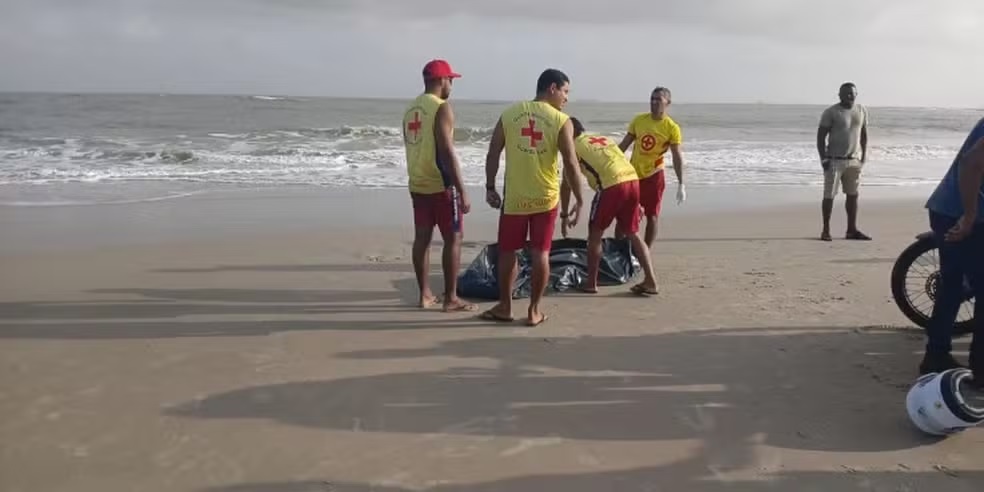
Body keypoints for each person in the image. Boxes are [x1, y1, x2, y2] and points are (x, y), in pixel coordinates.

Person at [481, 68, 586, 326]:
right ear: (552, 88)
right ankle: (534, 311)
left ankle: (505, 307)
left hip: (515, 198)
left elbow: (493, 152)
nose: (566, 98)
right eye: (565, 91)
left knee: (508, 252)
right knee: (541, 252)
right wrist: (580, 200)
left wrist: (490, 186)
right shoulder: (561, 120)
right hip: (546, 198)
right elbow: (572, 164)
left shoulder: (510, 114)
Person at [401, 59, 476, 313]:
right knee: (453, 238)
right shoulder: (441, 107)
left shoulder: (411, 109)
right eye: (450, 80)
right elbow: (446, 150)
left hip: (417, 182)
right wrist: (462, 188)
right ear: (441, 80)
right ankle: (451, 298)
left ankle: (424, 295)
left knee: (422, 238)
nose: (452, 85)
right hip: (441, 185)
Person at [562, 117, 660, 296]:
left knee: (595, 234)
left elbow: (567, 182)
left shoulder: (572, 146)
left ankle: (591, 283)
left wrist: (564, 215)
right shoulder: (601, 139)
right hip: (632, 179)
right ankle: (651, 280)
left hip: (611, 186)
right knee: (633, 233)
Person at [918, 116, 984, 380]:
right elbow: (971, 163)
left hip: (946, 210)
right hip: (966, 216)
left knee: (952, 286)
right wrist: (968, 217)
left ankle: (936, 355)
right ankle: (981, 372)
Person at [618, 87, 687, 248]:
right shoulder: (639, 120)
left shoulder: (671, 127)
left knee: (652, 216)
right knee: (624, 215)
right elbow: (623, 145)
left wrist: (681, 183)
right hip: (632, 174)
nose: (654, 103)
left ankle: (645, 252)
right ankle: (619, 250)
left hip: (654, 176)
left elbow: (677, 156)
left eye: (658, 100)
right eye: (652, 99)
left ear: (667, 103)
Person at [816, 82, 871, 242]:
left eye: (852, 93)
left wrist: (864, 156)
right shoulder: (831, 112)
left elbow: (864, 135)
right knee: (829, 196)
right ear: (839, 95)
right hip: (834, 160)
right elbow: (820, 137)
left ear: (856, 94)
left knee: (853, 195)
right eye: (845, 93)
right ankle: (825, 230)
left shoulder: (861, 110)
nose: (849, 96)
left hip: (853, 160)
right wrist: (823, 158)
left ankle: (851, 230)